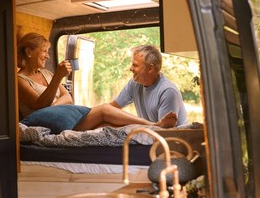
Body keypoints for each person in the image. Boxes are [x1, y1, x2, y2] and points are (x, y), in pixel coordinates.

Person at [17, 32, 177, 131]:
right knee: (104, 110)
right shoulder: (19, 80)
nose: (47, 56)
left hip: (65, 116)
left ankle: (146, 129)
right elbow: (40, 106)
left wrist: (56, 105)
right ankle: (153, 126)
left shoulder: (46, 73)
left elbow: (68, 98)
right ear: (29, 52)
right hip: (50, 122)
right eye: (44, 51)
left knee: (107, 125)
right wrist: (58, 82)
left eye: (48, 51)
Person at [110, 45, 189, 127]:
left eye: (135, 65)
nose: (131, 68)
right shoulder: (134, 83)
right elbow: (111, 109)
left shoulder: (168, 91)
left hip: (171, 138)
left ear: (150, 68)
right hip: (150, 135)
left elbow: (164, 133)